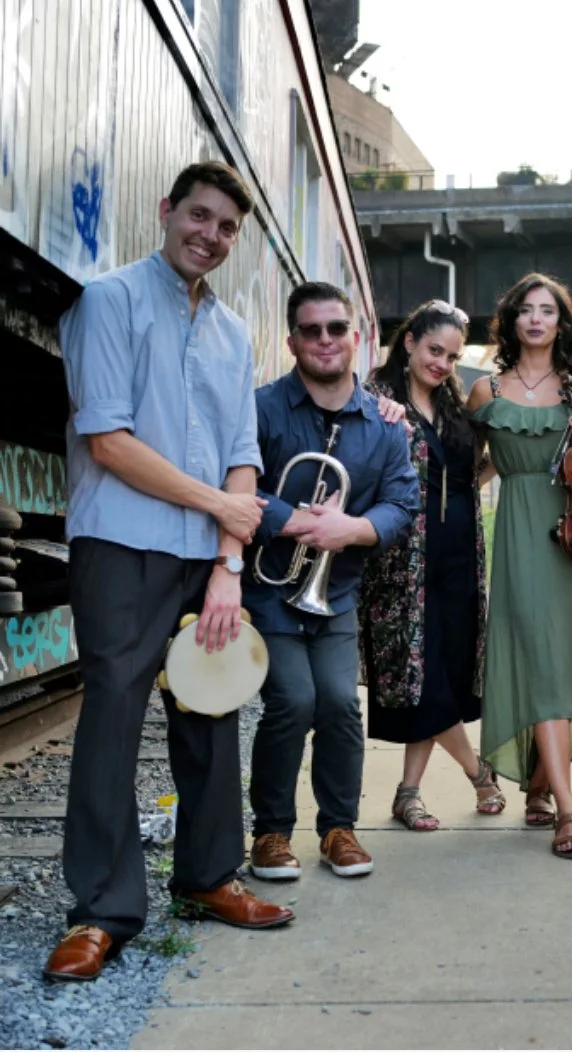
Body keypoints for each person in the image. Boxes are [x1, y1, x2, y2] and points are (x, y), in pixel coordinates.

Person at [47, 161, 293, 982]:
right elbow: (108, 441)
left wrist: (228, 564)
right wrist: (220, 508)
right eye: (199, 216)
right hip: (122, 545)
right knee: (113, 715)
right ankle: (102, 910)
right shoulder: (107, 301)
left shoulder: (232, 334)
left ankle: (208, 878)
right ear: (166, 211)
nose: (210, 236)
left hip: (205, 557)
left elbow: (241, 456)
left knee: (211, 712)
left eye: (227, 227)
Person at [245, 281, 418, 883]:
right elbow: (233, 482)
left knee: (342, 703)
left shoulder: (384, 424)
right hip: (270, 590)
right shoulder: (261, 408)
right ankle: (270, 833)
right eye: (311, 330)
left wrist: (353, 528)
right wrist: (290, 519)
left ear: (356, 337)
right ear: (292, 341)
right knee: (294, 701)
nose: (325, 339)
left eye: (336, 328)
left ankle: (338, 829)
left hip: (334, 592)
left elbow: (402, 503)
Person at [467, 273, 572, 860]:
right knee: (539, 662)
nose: (536, 319)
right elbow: (474, 467)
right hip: (520, 534)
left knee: (561, 666)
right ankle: (568, 809)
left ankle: (540, 785)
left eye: (547, 310)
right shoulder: (485, 391)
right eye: (526, 310)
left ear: (561, 323)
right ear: (511, 321)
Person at [359, 299, 505, 830]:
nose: (442, 364)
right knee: (422, 678)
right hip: (404, 562)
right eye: (434, 351)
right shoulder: (375, 399)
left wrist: (480, 475)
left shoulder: (454, 404)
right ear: (409, 343)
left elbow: (475, 467)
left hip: (460, 554)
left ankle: (408, 792)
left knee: (444, 672)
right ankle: (477, 772)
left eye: (451, 356)